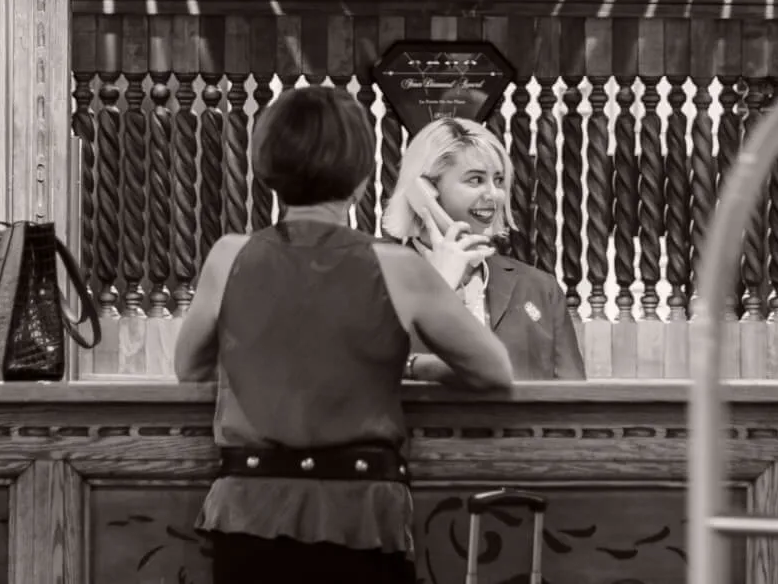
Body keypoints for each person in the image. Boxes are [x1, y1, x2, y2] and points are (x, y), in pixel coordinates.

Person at [174, 87, 513, 584]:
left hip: (250, 507)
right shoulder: (395, 266)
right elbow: (493, 373)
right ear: (360, 178)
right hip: (361, 514)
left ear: (265, 170)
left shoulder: (228, 256)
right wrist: (413, 365)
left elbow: (190, 369)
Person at [383, 117, 586, 381]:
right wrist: (439, 285)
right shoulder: (380, 279)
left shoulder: (540, 288)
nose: (494, 195)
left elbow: (574, 401)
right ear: (425, 190)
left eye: (499, 180)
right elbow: (368, 374)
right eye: (476, 180)